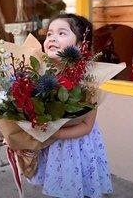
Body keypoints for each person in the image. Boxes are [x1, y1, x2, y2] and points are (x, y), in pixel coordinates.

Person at [28, 13, 113, 198]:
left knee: (75, 188)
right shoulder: (37, 73)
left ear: (80, 45)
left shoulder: (87, 81)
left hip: (75, 147)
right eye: (49, 33)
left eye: (61, 33)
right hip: (49, 148)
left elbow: (86, 126)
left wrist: (55, 133)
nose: (52, 37)